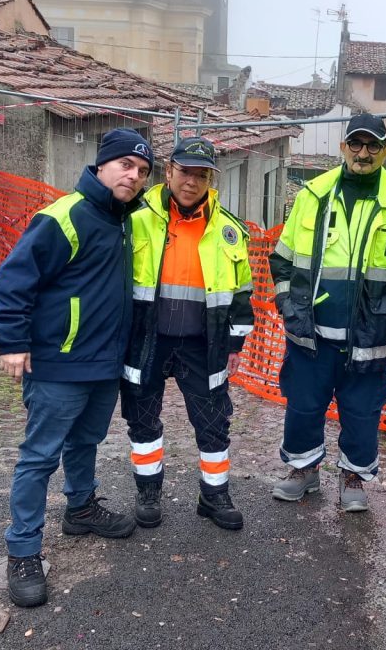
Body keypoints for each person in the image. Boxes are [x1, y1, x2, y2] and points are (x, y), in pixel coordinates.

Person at [0, 127, 153, 609]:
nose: (133, 176)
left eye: (142, 172)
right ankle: (23, 550)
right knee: (39, 456)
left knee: (86, 441)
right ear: (101, 165)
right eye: (125, 165)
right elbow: (14, 280)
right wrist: (12, 341)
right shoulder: (64, 216)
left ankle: (80, 507)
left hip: (103, 363)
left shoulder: (123, 219)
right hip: (59, 362)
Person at [269, 113, 386, 512]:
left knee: (362, 412)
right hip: (311, 332)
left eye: (373, 145)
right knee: (303, 405)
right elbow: (282, 260)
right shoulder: (314, 195)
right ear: (343, 148)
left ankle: (353, 475)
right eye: (355, 144)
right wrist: (288, 307)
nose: (363, 152)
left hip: (370, 336)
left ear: (385, 151)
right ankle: (303, 471)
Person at [120, 136, 254, 531]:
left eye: (201, 175)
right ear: (169, 172)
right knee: (142, 419)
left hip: (203, 344)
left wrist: (235, 343)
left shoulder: (229, 230)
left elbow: (242, 291)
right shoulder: (134, 216)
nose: (191, 182)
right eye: (185, 172)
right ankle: (148, 493)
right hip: (147, 340)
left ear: (211, 180)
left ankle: (213, 497)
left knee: (213, 422)